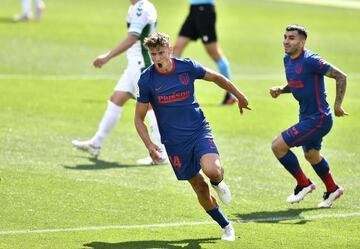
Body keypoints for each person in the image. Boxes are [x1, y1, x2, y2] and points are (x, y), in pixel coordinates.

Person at [135, 32, 251, 241]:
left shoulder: (186, 67)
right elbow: (138, 118)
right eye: (153, 54)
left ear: (170, 50)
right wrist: (149, 144)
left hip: (198, 131)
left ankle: (219, 182)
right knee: (199, 186)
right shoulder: (147, 80)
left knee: (212, 170)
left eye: (161, 53)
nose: (158, 58)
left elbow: (216, 77)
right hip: (174, 143)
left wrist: (239, 95)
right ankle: (226, 225)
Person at [72, 0, 167, 165]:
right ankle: (96, 143)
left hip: (141, 65)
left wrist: (107, 56)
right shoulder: (136, 7)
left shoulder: (142, 8)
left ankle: (160, 154)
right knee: (116, 99)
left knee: (151, 106)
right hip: (133, 65)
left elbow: (133, 38)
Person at [270, 24, 347, 208]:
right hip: (306, 117)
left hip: (318, 119)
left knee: (277, 146)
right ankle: (333, 189)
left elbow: (341, 76)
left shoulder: (311, 60)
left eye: (291, 38)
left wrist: (338, 105)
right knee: (312, 155)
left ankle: (304, 184)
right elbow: (297, 82)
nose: (286, 41)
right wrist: (282, 89)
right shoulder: (287, 60)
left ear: (302, 42)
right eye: (285, 37)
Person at [172, 0, 236, 105]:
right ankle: (172, 91)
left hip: (205, 10)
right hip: (194, 10)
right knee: (177, 49)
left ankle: (231, 94)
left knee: (215, 53)